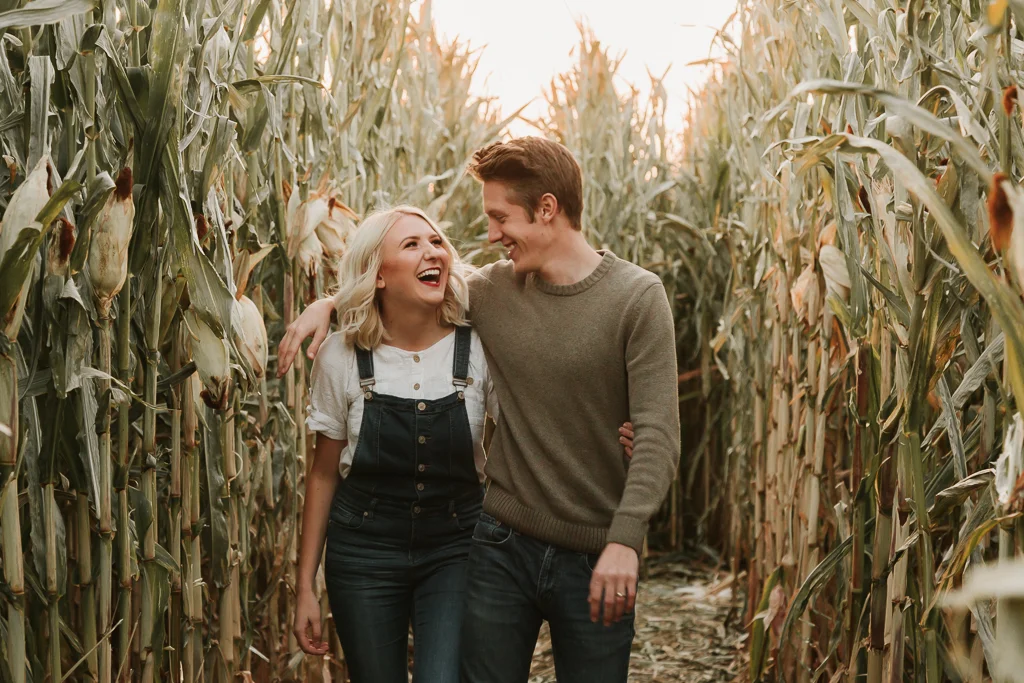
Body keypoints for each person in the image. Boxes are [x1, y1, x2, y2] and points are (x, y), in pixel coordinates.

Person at [282, 138, 680, 683]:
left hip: (592, 550)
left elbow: (659, 434)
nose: (491, 235)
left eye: (499, 218)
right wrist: (327, 304)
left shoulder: (637, 297)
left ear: (546, 208)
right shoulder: (493, 291)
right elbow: (394, 286)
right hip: (499, 545)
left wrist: (625, 538)